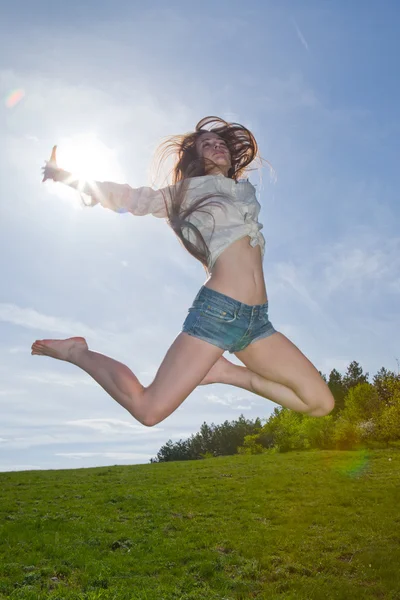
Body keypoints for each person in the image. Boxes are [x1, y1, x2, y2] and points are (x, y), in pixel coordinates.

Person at [32, 116, 335, 426]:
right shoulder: (185, 192)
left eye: (221, 144)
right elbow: (132, 198)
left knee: (319, 403)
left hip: (257, 323)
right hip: (219, 313)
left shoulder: (243, 192)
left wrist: (233, 374)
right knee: (148, 410)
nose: (217, 146)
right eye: (207, 144)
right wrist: (64, 176)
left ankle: (225, 372)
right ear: (196, 157)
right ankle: (77, 352)